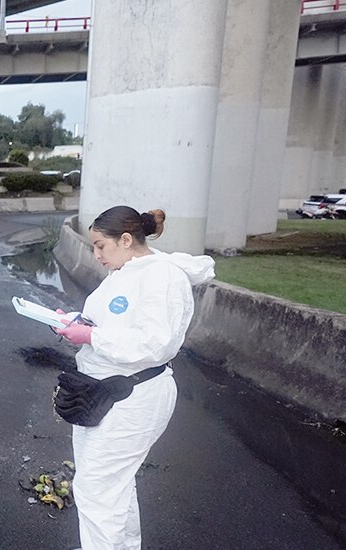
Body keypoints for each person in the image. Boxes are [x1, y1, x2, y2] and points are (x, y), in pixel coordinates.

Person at [54, 206, 215, 550]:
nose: (96, 255)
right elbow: (113, 323)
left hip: (134, 396)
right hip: (102, 392)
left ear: (126, 240)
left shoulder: (163, 277)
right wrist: (75, 322)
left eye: (100, 246)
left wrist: (92, 337)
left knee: (97, 490)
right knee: (113, 487)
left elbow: (157, 343)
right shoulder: (124, 270)